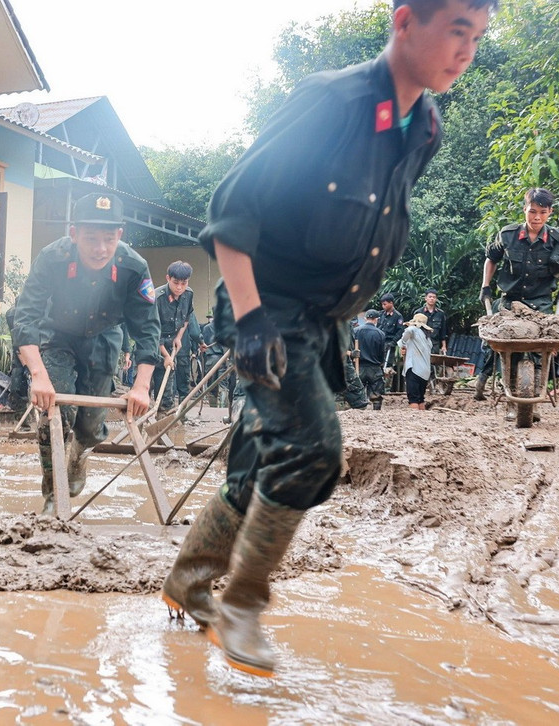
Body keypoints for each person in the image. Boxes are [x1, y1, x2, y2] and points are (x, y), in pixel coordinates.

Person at [161, 0, 496, 678]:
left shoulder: (423, 127)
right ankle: (243, 605)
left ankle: (190, 582)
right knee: (314, 451)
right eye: (457, 30)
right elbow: (232, 209)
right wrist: (252, 320)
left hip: (321, 320)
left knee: (265, 464)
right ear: (406, 21)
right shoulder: (329, 101)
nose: (467, 51)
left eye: (478, 37)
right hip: (265, 304)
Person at [12, 192, 160, 515]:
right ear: (74, 233)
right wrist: (38, 375)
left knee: (91, 428)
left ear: (119, 235)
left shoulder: (134, 267)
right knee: (53, 414)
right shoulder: (52, 259)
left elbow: (148, 328)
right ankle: (54, 496)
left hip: (105, 337)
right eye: (91, 238)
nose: (100, 249)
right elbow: (25, 317)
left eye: (109, 239)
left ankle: (79, 453)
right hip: (58, 336)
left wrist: (141, 386)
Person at [474, 188, 559, 400]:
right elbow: (491, 258)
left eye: (542, 212)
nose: (536, 217)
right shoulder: (508, 235)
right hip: (510, 301)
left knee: (542, 350)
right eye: (532, 211)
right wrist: (485, 285)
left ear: (550, 212)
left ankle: (536, 394)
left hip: (540, 303)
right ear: (524, 209)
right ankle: (509, 391)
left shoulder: (556, 239)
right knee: (505, 349)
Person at [150, 261, 194, 412]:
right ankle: (138, 426)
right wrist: (166, 355)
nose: (180, 287)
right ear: (168, 278)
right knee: (144, 388)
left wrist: (178, 337)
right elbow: (153, 331)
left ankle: (162, 417)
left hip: (170, 345)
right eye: (176, 282)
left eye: (184, 283)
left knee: (166, 393)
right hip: (150, 345)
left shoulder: (188, 294)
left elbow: (186, 318)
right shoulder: (157, 298)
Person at [398, 312, 434, 409]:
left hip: (414, 369)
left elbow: (409, 331)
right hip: (425, 371)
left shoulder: (413, 330)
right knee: (420, 398)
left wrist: (403, 342)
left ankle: (414, 419)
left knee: (413, 398)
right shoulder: (427, 338)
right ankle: (422, 416)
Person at [356, 310, 387, 410]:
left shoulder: (356, 331)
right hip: (374, 367)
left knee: (358, 392)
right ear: (377, 319)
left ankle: (359, 413)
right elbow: (382, 352)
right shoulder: (380, 333)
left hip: (359, 366)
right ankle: (376, 413)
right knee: (376, 394)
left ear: (365, 318)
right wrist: (381, 364)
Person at [376, 293, 405, 391]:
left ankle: (387, 389)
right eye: (382, 304)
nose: (383, 306)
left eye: (385, 304)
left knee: (388, 367)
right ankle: (378, 387)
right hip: (380, 343)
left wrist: (393, 342)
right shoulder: (381, 315)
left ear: (391, 303)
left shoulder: (398, 316)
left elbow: (400, 331)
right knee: (378, 365)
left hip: (390, 344)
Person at [414, 288, 450, 354]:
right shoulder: (419, 313)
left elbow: (443, 332)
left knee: (433, 363)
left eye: (434, 297)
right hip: (420, 344)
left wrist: (444, 346)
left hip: (434, 345)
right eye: (430, 297)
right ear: (426, 298)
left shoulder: (440, 314)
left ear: (436, 299)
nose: (432, 299)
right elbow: (414, 330)